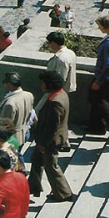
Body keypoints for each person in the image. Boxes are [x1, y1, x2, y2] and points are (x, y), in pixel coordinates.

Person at [28, 70, 73, 202]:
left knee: (51, 166)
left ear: (49, 85)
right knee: (36, 160)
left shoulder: (55, 102)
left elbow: (51, 127)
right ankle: (33, 188)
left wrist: (43, 144)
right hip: (48, 138)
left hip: (50, 141)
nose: (40, 85)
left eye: (42, 83)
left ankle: (64, 193)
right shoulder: (60, 94)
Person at [0, 72, 34, 147]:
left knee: (11, 157)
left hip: (13, 138)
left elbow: (5, 125)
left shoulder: (10, 104)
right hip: (25, 131)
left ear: (9, 84)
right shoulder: (29, 95)